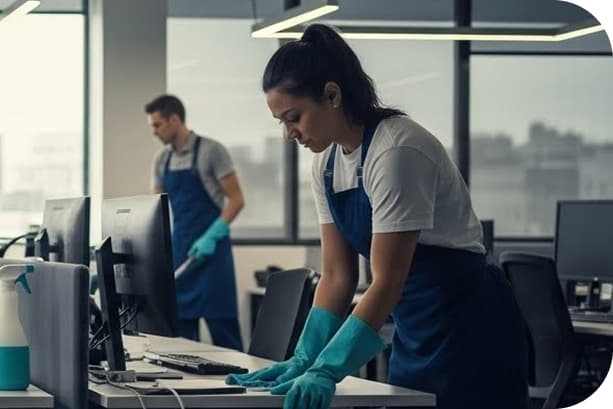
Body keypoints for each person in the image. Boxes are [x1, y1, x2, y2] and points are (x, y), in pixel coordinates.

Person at [226, 24, 527, 409]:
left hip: (469, 328)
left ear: (332, 95)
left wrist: (327, 369)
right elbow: (337, 275)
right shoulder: (326, 165)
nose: (289, 134)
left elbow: (388, 279)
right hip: (414, 328)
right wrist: (303, 358)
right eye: (281, 122)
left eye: (294, 117)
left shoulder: (397, 150)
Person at [146, 94, 247, 350]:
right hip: (181, 252)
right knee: (181, 338)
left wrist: (213, 234)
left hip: (213, 253)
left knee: (224, 333)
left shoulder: (212, 151)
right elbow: (157, 210)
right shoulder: (161, 160)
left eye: (157, 125)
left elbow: (236, 199)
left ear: (174, 119)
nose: (154, 132)